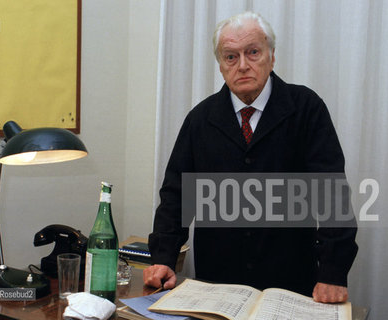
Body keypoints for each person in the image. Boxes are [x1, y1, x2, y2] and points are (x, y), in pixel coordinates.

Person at [143, 12, 358, 303]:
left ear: (271, 56)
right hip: (215, 286)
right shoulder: (200, 119)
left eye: (253, 52)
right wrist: (164, 257)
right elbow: (176, 196)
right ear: (220, 66)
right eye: (231, 57)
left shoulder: (306, 109)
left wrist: (332, 271)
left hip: (290, 282)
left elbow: (332, 194)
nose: (243, 65)